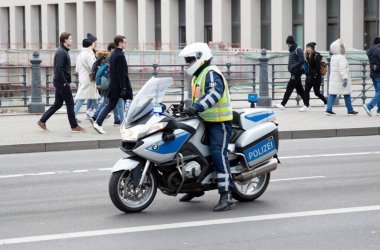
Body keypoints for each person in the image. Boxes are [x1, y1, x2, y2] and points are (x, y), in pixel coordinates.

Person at [179, 42, 235, 212]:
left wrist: (196, 108)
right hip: (204, 121)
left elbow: (214, 93)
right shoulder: (198, 75)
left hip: (220, 122)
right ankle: (195, 187)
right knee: (190, 151)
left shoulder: (210, 73)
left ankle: (227, 195)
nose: (187, 63)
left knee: (218, 152)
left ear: (199, 58)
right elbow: (198, 98)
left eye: (189, 60)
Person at [37, 32, 85, 132]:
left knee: (58, 104)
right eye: (70, 39)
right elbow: (58, 69)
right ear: (65, 40)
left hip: (60, 82)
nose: (72, 40)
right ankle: (74, 126)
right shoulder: (61, 52)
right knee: (70, 103)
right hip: (61, 82)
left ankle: (42, 121)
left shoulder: (63, 51)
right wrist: (64, 83)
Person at [93, 35, 132, 134]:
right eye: (124, 42)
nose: (125, 44)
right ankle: (98, 122)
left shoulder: (114, 54)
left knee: (111, 105)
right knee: (124, 103)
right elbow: (122, 73)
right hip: (119, 86)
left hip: (113, 85)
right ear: (120, 43)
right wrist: (123, 87)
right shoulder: (120, 56)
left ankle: (99, 122)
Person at [90, 42, 124, 126]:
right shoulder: (113, 57)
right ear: (112, 48)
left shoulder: (104, 57)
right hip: (112, 84)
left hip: (103, 84)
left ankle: (116, 120)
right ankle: (121, 122)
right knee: (118, 104)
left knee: (108, 103)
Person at [326, 39, 358, 115]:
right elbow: (342, 69)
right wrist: (345, 78)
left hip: (334, 79)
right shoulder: (341, 57)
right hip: (341, 79)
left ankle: (329, 109)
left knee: (332, 93)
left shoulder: (333, 57)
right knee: (347, 94)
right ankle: (350, 110)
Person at [274, 35, 306, 110]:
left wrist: (292, 67)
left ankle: (283, 104)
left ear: (291, 43)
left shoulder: (298, 49)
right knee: (300, 89)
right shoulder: (292, 50)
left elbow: (302, 60)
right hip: (294, 72)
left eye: (288, 43)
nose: (288, 45)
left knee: (289, 87)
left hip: (296, 72)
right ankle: (307, 104)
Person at [74, 38, 100, 120]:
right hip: (89, 78)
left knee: (94, 97)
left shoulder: (80, 54)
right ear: (91, 45)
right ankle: (73, 116)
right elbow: (93, 66)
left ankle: (100, 113)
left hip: (82, 77)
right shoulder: (89, 54)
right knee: (82, 98)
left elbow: (77, 69)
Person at [299, 42, 327, 112]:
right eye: (307, 47)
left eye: (309, 47)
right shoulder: (307, 56)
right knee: (306, 91)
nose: (307, 49)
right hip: (309, 77)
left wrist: (314, 75)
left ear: (312, 48)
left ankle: (326, 103)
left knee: (316, 92)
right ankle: (306, 106)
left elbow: (317, 67)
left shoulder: (316, 55)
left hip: (316, 78)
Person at [363, 36, 380, 116]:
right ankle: (369, 106)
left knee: (378, 92)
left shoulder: (370, 50)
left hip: (373, 73)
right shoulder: (378, 50)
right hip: (379, 73)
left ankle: (379, 111)